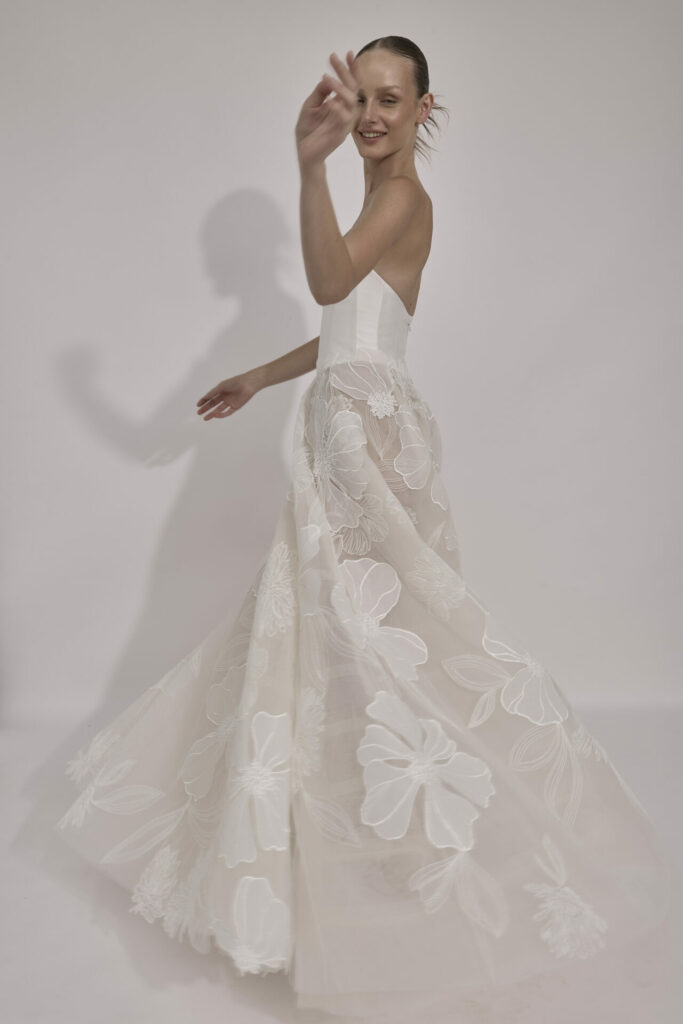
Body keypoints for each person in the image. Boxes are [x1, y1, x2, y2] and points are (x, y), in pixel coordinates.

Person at [55, 36, 672, 1022]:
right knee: (342, 624)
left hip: (362, 429)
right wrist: (262, 372)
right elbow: (352, 318)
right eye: (361, 98)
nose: (372, 116)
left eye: (390, 100)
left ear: (426, 109)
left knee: (375, 628)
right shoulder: (383, 207)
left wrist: (305, 165)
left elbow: (335, 281)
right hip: (350, 408)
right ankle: (349, 830)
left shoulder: (399, 198)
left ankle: (420, 832)